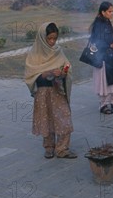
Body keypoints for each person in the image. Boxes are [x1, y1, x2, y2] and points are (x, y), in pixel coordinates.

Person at [24, 22, 76, 159]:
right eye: (49, 38)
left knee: (64, 118)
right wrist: (47, 73)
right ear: (42, 37)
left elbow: (67, 67)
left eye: (55, 38)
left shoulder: (58, 51)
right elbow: (30, 76)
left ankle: (62, 149)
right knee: (46, 119)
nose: (52, 42)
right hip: (43, 93)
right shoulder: (34, 54)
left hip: (58, 91)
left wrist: (64, 73)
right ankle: (49, 147)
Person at [89, 1, 113, 114]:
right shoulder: (98, 24)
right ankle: (103, 105)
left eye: (112, 11)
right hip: (102, 57)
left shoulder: (107, 22)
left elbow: (110, 38)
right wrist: (110, 45)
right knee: (104, 81)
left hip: (111, 56)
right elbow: (95, 42)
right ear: (103, 12)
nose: (111, 13)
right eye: (109, 11)